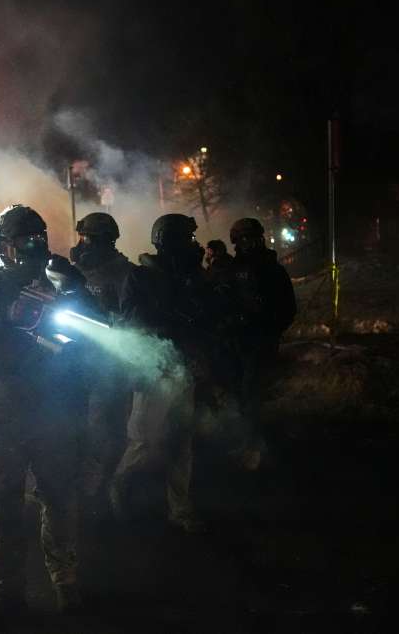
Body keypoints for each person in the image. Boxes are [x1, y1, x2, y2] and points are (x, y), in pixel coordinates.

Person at [0, 204, 91, 628]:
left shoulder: (60, 278)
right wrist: (2, 317)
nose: (34, 247)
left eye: (39, 238)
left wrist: (68, 298)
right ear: (2, 246)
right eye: (23, 240)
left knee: (59, 499)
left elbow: (95, 328)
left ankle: (66, 582)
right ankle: (8, 594)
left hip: (53, 409)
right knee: (4, 508)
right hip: (2, 413)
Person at [112, 213, 208, 532]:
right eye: (187, 239)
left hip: (184, 369)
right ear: (170, 242)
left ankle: (180, 508)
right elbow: (134, 323)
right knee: (143, 442)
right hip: (154, 371)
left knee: (181, 441)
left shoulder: (192, 277)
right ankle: (119, 491)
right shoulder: (142, 278)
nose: (194, 246)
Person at [68, 212, 136, 515]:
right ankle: (87, 490)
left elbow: (131, 321)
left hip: (112, 367)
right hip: (79, 365)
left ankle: (105, 490)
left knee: (112, 431)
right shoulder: (77, 271)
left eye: (89, 238)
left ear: (106, 241)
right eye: (82, 236)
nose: (82, 244)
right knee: (84, 431)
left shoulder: (124, 274)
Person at [217, 217, 297, 470]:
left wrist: (269, 330)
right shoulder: (231, 268)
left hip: (259, 340)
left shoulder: (272, 269)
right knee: (239, 393)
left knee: (252, 394)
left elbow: (287, 308)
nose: (249, 243)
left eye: (252, 238)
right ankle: (246, 441)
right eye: (243, 239)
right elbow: (222, 300)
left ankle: (256, 447)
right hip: (236, 340)